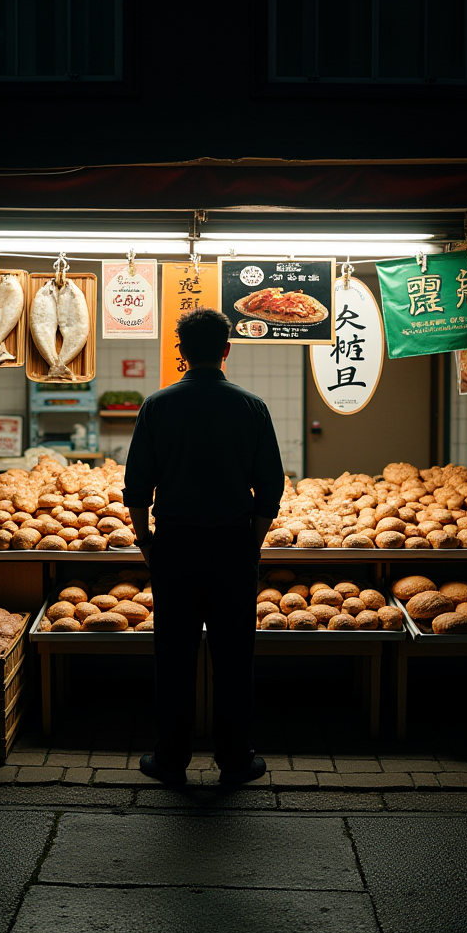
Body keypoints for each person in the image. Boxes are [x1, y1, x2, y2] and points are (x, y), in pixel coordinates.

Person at [123, 307, 284, 787]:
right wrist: (251, 542)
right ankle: (235, 760)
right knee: (235, 657)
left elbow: (136, 485)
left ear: (182, 354)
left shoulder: (157, 405)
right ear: (226, 350)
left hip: (174, 544)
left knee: (173, 655)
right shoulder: (251, 406)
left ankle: (171, 759)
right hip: (232, 544)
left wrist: (146, 540)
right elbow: (270, 486)